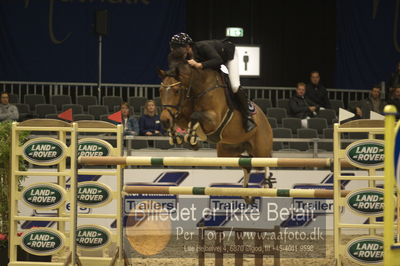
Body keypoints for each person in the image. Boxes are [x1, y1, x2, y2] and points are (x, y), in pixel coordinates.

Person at [169, 32, 255, 132]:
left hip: (227, 55)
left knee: (234, 85)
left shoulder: (203, 47)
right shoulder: (181, 55)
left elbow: (218, 60)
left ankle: (247, 117)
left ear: (187, 46)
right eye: (173, 48)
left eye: (177, 48)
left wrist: (199, 65)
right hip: (211, 63)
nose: (175, 51)